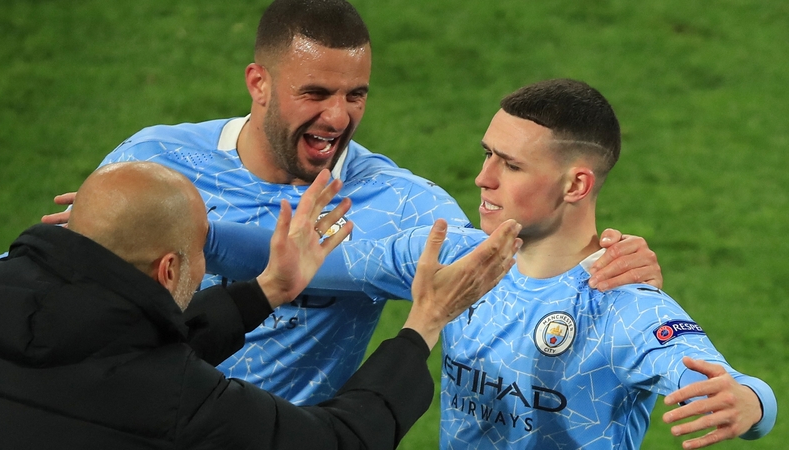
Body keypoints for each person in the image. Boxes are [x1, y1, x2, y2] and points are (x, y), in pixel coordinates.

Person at [39, 0, 663, 405]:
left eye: (356, 95)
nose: (337, 117)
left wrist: (612, 269)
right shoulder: (155, 161)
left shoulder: (400, 206)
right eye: (315, 92)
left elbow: (510, 277)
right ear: (259, 83)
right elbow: (37, 296)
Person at [203, 79, 777, 449]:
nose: (483, 178)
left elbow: (718, 379)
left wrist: (751, 403)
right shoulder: (452, 257)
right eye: (486, 154)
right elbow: (298, 262)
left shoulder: (621, 301)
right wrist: (185, 237)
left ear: (576, 184)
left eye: (510, 165)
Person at [0, 161, 523, 449]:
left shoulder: (5, 290)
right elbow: (338, 441)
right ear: (170, 270)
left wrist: (267, 290)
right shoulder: (175, 399)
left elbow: (110, 352)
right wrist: (423, 324)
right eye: (202, 251)